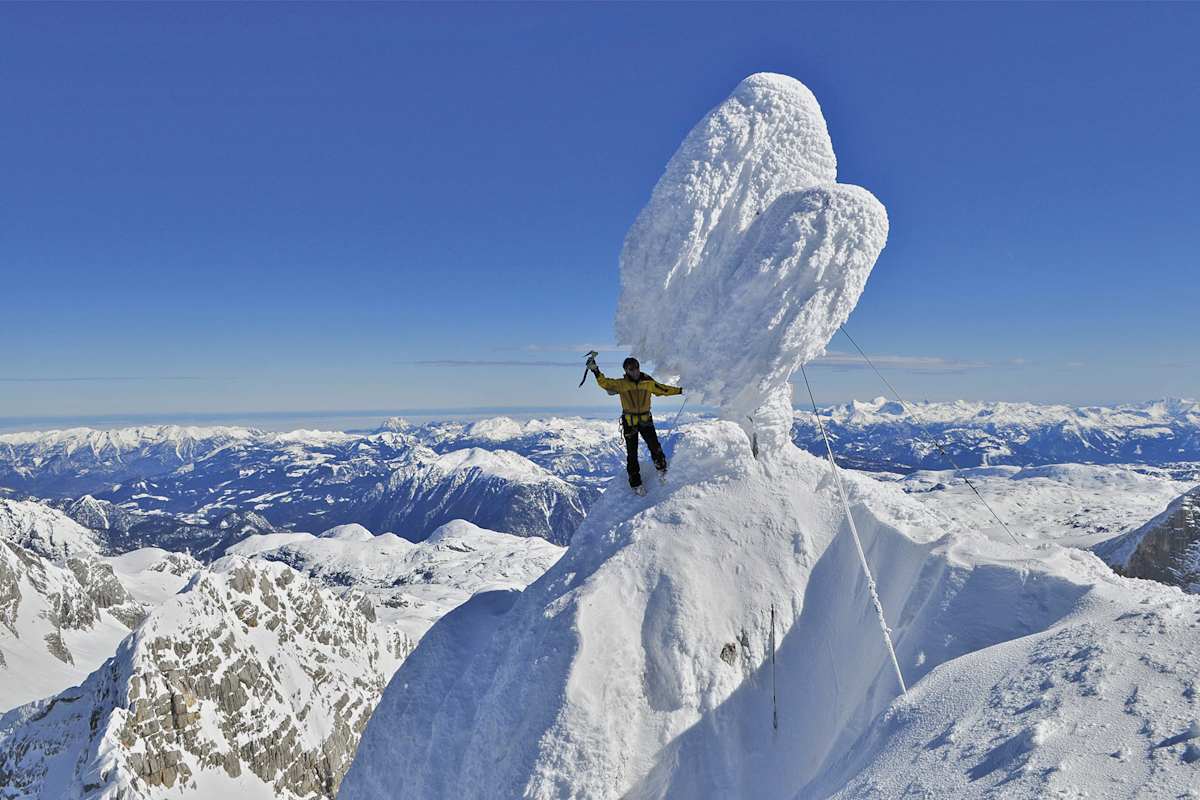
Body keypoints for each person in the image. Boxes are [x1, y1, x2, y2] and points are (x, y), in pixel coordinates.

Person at [587, 355, 683, 493]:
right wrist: (595, 370)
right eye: (631, 369)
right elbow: (605, 383)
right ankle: (636, 483)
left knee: (655, 447)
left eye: (636, 367)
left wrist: (680, 391)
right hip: (629, 422)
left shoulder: (648, 382)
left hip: (645, 420)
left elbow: (664, 389)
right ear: (626, 371)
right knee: (632, 454)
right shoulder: (622, 384)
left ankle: (662, 470)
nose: (635, 371)